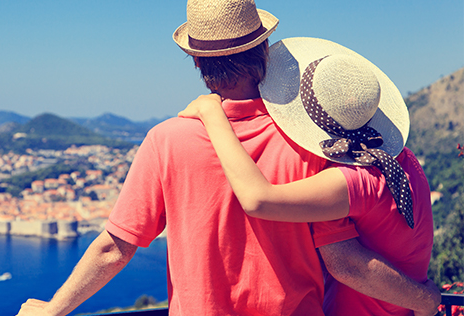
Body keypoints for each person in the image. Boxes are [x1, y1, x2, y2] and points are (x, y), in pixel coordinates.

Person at [17, 2, 439, 315]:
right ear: (265, 52)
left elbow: (115, 249)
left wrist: (54, 308)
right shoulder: (313, 146)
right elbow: (343, 257)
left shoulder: (166, 141)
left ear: (198, 62)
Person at [178, 37, 440, 315]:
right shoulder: (403, 160)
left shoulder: (351, 180)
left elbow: (259, 200)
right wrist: (424, 300)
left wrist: (212, 113)